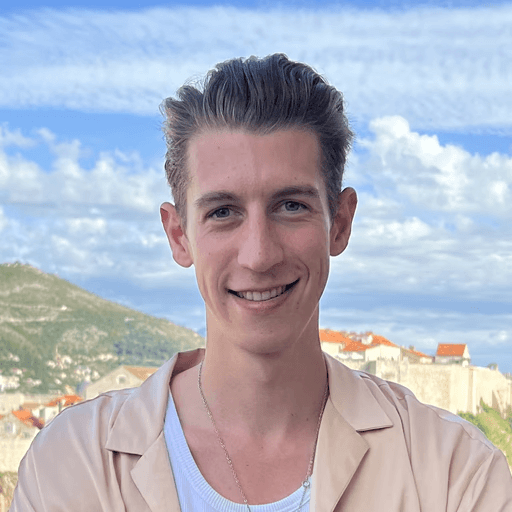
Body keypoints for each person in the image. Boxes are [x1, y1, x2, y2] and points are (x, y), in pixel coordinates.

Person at [10, 54, 512, 511]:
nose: (259, 255)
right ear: (179, 235)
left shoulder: (455, 474)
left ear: (339, 223)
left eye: (291, 206)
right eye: (223, 212)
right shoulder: (73, 467)